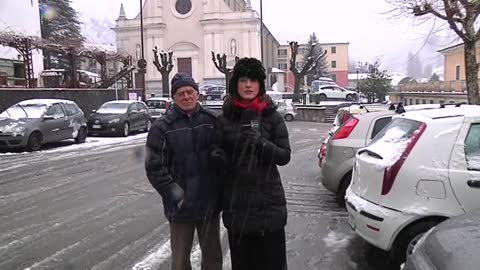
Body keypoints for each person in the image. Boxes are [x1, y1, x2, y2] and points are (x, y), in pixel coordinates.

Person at [213, 57, 291, 270]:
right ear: (235, 84)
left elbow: (284, 156)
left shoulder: (272, 117)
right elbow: (216, 154)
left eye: (254, 80)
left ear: (260, 85)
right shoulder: (224, 119)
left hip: (269, 207)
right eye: (243, 80)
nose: (248, 85)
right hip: (238, 209)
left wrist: (262, 144)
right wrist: (220, 157)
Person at [145, 72, 222, 270]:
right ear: (174, 97)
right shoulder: (161, 128)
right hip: (180, 208)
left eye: (190, 92)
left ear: (197, 94)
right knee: (180, 262)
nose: (186, 97)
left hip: (208, 205)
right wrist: (175, 193)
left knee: (213, 260)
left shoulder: (212, 121)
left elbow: (224, 158)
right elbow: (154, 167)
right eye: (181, 93)